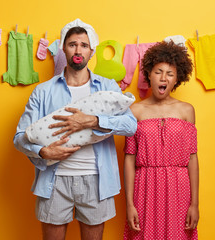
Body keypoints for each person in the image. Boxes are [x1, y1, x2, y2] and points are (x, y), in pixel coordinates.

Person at [13, 18, 137, 240]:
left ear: (92, 52)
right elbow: (20, 137)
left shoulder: (108, 87)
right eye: (72, 44)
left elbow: (130, 125)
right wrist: (43, 152)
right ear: (64, 49)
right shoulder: (43, 92)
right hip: (54, 179)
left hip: (96, 180)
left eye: (84, 45)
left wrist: (92, 121)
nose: (78, 50)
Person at [123, 41, 199, 239]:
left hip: (178, 188)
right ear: (148, 74)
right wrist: (129, 204)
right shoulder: (135, 111)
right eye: (158, 72)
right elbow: (129, 160)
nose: (163, 77)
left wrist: (195, 204)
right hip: (144, 188)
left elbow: (192, 159)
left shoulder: (186, 110)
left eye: (170, 74)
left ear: (177, 79)